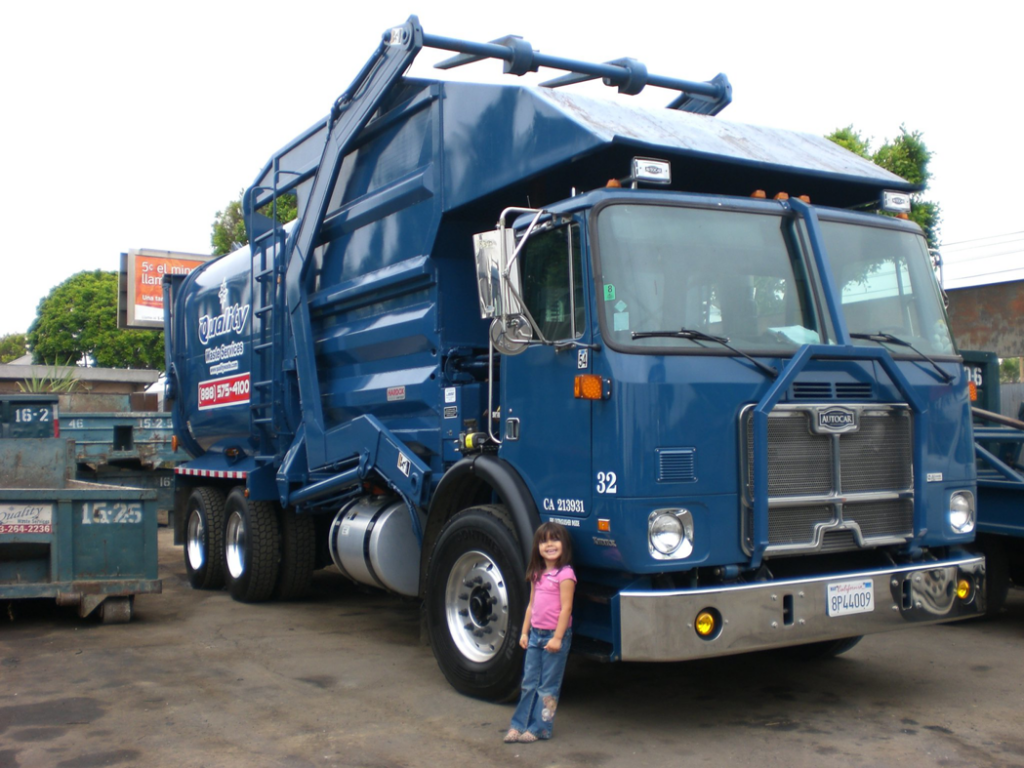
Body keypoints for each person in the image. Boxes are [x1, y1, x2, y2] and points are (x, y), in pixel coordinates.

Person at [504, 522, 576, 744]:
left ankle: (540, 728)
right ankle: (518, 725)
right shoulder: (537, 573)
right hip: (535, 634)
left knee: (547, 686)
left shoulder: (566, 574)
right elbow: (531, 605)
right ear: (537, 547)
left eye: (555, 540)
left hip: (555, 636)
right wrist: (524, 633)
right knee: (529, 682)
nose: (549, 545)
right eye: (544, 541)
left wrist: (557, 638)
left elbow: (566, 608)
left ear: (564, 545)